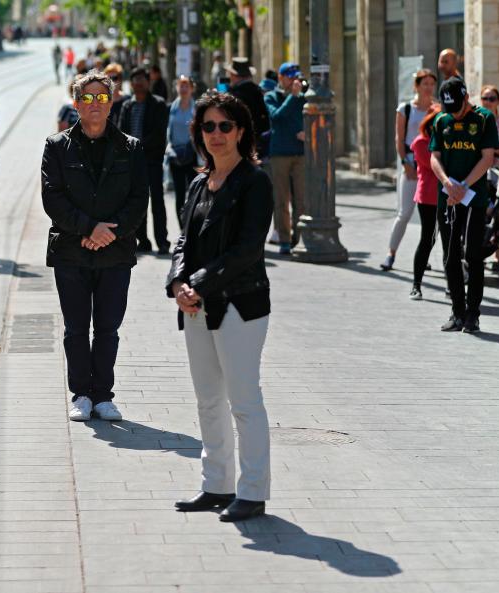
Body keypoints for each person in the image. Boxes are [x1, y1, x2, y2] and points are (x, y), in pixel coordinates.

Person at [166, 92, 273, 523]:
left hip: (240, 305)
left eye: (225, 126)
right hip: (196, 306)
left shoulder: (255, 182)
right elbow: (181, 243)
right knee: (208, 400)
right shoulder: (196, 182)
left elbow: (247, 249)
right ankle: (216, 485)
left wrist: (199, 285)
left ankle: (252, 491)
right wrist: (177, 283)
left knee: (244, 401)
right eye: (208, 127)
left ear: (241, 131)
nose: (216, 135)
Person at [41, 69, 149, 423]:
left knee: (107, 328)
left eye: (101, 97)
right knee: (75, 328)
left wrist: (108, 234)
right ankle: (81, 394)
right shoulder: (56, 147)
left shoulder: (130, 148)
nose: (94, 104)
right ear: (76, 103)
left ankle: (103, 395)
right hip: (71, 251)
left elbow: (137, 201)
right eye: (87, 98)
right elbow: (52, 200)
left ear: (112, 101)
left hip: (114, 253)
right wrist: (89, 228)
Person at [429, 77, 498, 333]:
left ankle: (473, 314)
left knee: (472, 254)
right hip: (447, 197)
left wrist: (464, 186)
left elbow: (487, 157)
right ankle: (457, 312)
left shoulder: (483, 119)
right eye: (450, 109)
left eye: (457, 107)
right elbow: (434, 157)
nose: (454, 114)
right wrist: (448, 183)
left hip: (474, 197)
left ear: (466, 98)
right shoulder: (440, 120)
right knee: (450, 256)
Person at [380, 69, 438, 270]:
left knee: (431, 221)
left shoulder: (437, 109)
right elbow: (400, 137)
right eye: (425, 84)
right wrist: (405, 163)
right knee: (404, 213)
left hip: (432, 169)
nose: (429, 88)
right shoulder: (405, 109)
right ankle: (391, 253)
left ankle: (424, 256)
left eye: (432, 83)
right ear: (417, 86)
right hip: (412, 166)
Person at [120, 66, 170, 253]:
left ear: (148, 82)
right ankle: (143, 240)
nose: (139, 83)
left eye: (142, 80)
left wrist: (138, 146)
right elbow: (120, 132)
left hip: (153, 160)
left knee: (157, 202)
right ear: (131, 84)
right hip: (133, 163)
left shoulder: (158, 104)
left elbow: (159, 133)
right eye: (135, 80)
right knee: (137, 203)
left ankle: (162, 241)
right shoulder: (127, 105)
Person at [264, 62, 307, 255]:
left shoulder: (302, 98)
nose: (294, 81)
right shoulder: (271, 97)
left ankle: (298, 238)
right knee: (281, 199)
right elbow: (277, 117)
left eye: (296, 77)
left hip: (299, 153)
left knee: (301, 199)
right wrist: (292, 97)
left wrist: (306, 133)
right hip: (280, 154)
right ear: (281, 78)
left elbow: (309, 119)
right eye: (290, 77)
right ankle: (283, 239)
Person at [408, 105, 443, 300]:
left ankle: (451, 287)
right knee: (427, 239)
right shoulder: (421, 142)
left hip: (447, 196)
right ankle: (416, 284)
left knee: (449, 242)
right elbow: (432, 165)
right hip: (428, 197)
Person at [226, 57, 271, 160]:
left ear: (235, 76)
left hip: (239, 144)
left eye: (231, 74)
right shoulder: (258, 91)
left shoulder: (234, 95)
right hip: (256, 143)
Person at [166, 75, 197, 223]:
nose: (183, 88)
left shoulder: (196, 108)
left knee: (194, 193)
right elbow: (169, 132)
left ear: (192, 88)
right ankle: (181, 230)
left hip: (193, 156)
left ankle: (192, 226)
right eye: (181, 85)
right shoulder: (172, 107)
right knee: (179, 194)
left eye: (186, 85)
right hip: (176, 156)